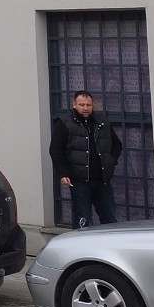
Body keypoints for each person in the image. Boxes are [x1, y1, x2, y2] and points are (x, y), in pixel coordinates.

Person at [49, 90, 123, 228]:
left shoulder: (102, 122)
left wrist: (111, 162)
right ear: (74, 104)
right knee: (82, 219)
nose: (85, 108)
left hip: (102, 180)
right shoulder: (64, 123)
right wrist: (63, 173)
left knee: (109, 218)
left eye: (88, 105)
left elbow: (117, 145)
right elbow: (55, 150)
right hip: (79, 181)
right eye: (82, 105)